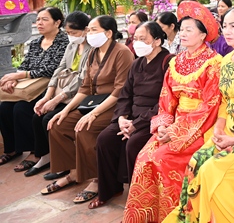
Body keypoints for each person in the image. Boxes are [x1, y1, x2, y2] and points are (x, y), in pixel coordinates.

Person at [166, 6, 234, 223]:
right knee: (196, 162)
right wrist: (218, 127)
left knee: (211, 171)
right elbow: (225, 101)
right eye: (225, 26)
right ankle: (193, 218)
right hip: (229, 129)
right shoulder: (226, 61)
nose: (227, 31)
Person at [123, 1, 222, 223]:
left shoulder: (214, 63)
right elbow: (166, 99)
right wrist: (162, 126)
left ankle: (174, 216)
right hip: (174, 124)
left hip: (199, 128)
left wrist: (176, 131)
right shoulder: (176, 62)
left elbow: (209, 106)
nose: (183, 33)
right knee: (144, 157)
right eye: (182, 29)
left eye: (189, 30)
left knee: (163, 159)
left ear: (203, 35)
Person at [42, 15, 134, 204]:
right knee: (58, 125)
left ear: (108, 33)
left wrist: (93, 114)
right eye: (89, 30)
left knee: (84, 128)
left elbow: (120, 90)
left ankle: (97, 179)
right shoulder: (93, 53)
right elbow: (85, 88)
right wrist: (65, 110)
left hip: (115, 104)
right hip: (93, 102)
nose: (89, 34)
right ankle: (74, 173)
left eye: (94, 30)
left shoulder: (122, 52)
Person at [93, 22, 171, 209]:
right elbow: (125, 94)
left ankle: (137, 199)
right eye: (135, 39)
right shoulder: (137, 63)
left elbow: (166, 99)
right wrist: (121, 118)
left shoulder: (168, 62)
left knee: (134, 143)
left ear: (157, 41)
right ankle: (109, 189)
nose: (137, 43)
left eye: (143, 39)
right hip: (131, 117)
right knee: (105, 139)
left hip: (153, 116)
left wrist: (137, 124)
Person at [0, 7, 69, 170]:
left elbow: (54, 69)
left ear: (57, 22)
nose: (39, 23)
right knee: (4, 108)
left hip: (51, 87)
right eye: (38, 19)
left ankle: (35, 152)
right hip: (30, 86)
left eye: (44, 19)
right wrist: (14, 79)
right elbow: (25, 64)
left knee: (21, 109)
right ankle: (12, 149)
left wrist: (21, 75)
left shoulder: (64, 42)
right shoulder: (35, 43)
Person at [28, 11, 92, 178]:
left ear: (85, 30)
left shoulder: (92, 49)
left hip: (78, 95)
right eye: (68, 32)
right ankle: (45, 156)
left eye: (74, 33)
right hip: (62, 92)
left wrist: (56, 100)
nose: (71, 36)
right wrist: (46, 97)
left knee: (50, 121)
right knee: (37, 116)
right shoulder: (72, 45)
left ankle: (65, 164)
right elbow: (59, 70)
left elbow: (82, 79)